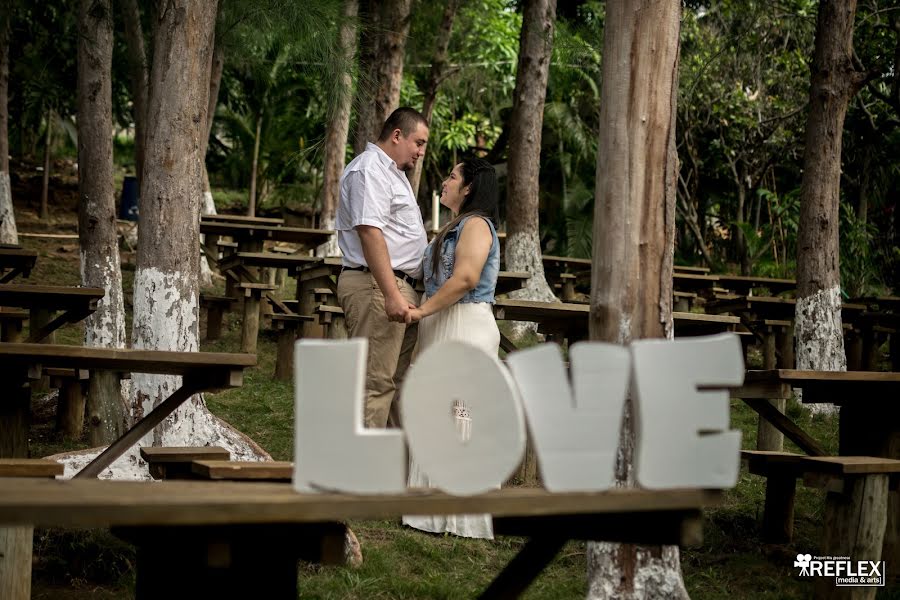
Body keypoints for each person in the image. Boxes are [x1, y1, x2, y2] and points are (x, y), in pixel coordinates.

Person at [401, 157, 501, 539]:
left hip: (463, 322)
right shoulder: (456, 225)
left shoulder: (476, 225)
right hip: (442, 322)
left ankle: (459, 514)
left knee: (459, 413)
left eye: (453, 176)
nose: (445, 181)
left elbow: (465, 279)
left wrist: (422, 309)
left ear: (469, 188)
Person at [335, 107, 429, 429]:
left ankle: (385, 470)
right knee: (373, 385)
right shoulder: (369, 170)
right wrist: (391, 293)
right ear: (397, 135)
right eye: (419, 143)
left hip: (396, 288)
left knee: (392, 386)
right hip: (377, 287)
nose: (420, 152)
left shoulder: (393, 174)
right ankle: (358, 473)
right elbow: (369, 232)